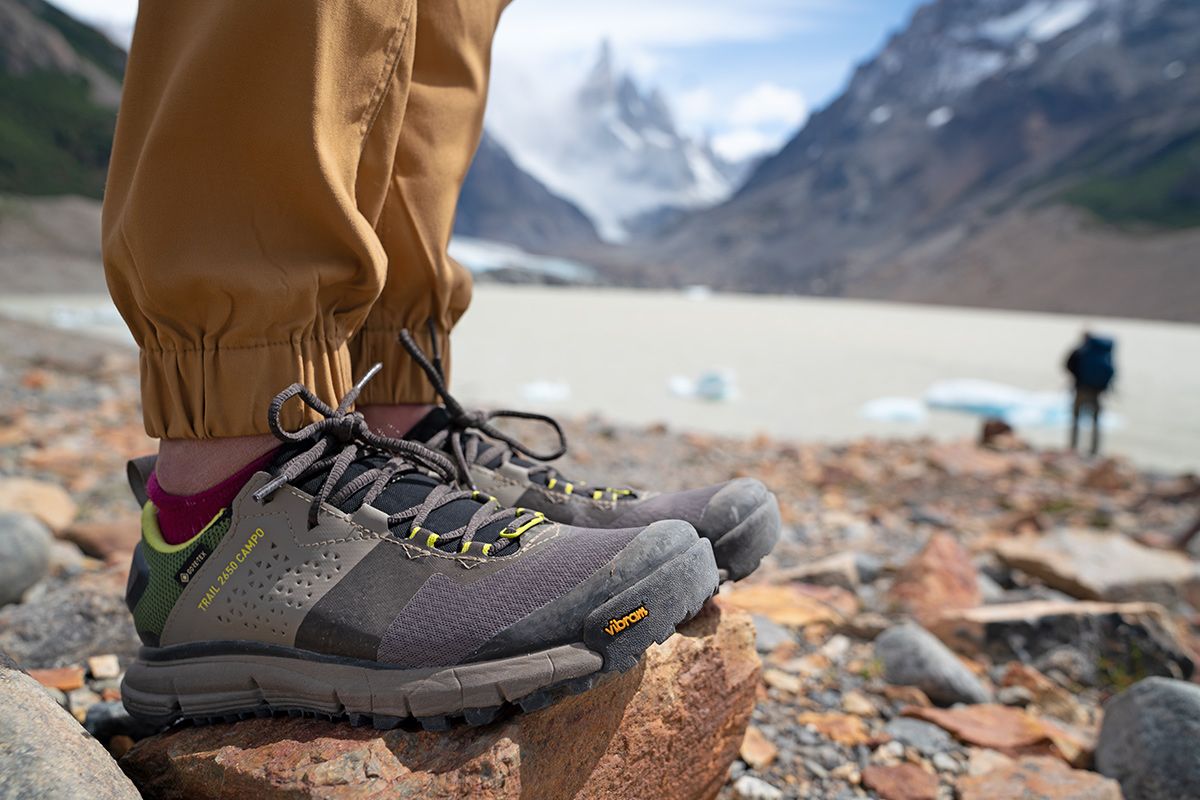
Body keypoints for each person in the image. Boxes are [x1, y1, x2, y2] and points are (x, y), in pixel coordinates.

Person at [102, 1, 780, 729]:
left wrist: (398, 356)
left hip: (382, 355)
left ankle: (399, 423)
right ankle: (230, 480)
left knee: (438, 22)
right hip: (234, 504)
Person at [1064, 332, 1116, 456]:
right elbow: (1111, 370)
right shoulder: (1103, 352)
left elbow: (1068, 365)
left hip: (1081, 389)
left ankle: (1073, 448)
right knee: (1095, 422)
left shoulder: (1080, 351)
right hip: (1097, 391)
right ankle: (1094, 451)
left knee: (1076, 419)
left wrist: (1077, 378)